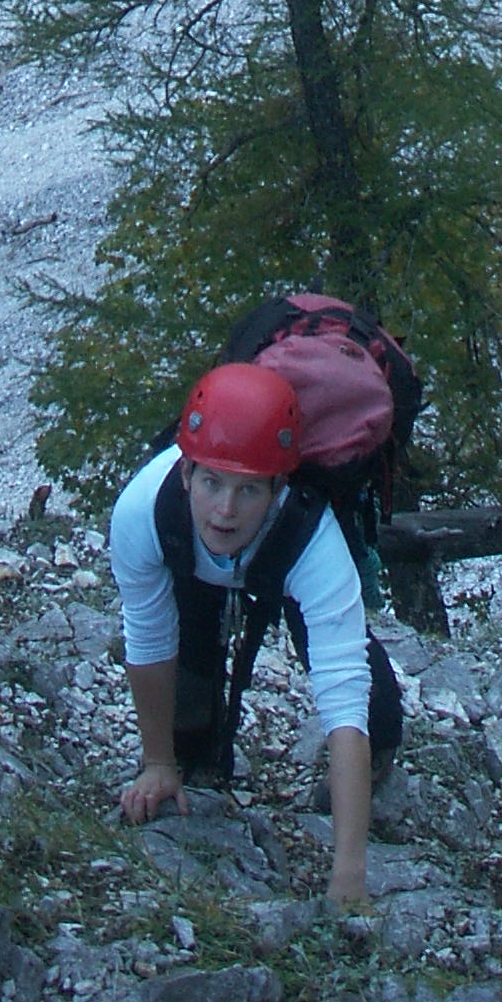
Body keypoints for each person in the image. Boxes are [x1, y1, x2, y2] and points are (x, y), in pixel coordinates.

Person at [108, 358, 403, 906]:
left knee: (374, 709)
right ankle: (192, 757)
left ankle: (379, 755)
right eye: (212, 483)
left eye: (248, 491)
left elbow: (343, 696)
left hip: (281, 559)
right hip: (193, 561)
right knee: (190, 698)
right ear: (185, 473)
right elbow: (149, 637)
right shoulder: (143, 513)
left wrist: (349, 874)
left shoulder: (313, 540)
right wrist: (158, 764)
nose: (225, 510)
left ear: (278, 488)